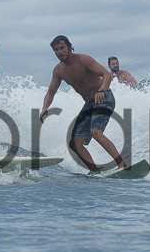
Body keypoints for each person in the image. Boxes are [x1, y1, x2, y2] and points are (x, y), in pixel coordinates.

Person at [41, 36, 127, 174]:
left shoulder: (83, 60)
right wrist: (45, 107)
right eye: (56, 50)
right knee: (74, 143)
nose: (59, 52)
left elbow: (106, 74)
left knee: (95, 132)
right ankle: (95, 171)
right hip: (89, 104)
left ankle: (122, 165)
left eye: (62, 48)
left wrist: (101, 90)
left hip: (104, 98)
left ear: (69, 47)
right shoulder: (59, 70)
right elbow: (51, 92)